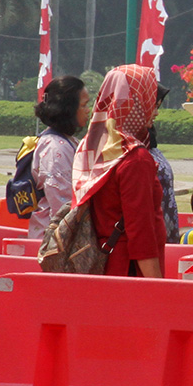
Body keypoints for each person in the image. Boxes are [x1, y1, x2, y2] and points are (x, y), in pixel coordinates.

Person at [72, 64, 167, 278]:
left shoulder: (92, 147)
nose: (155, 111)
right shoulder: (135, 159)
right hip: (129, 273)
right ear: (136, 103)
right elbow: (141, 233)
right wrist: (159, 288)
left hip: (99, 266)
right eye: (150, 99)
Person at [28, 76, 89, 239]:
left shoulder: (68, 141)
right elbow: (62, 205)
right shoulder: (56, 148)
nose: (88, 110)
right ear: (68, 109)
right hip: (53, 242)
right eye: (84, 105)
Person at [147, 86, 180, 244]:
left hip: (165, 234)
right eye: (153, 106)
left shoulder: (150, 144)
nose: (157, 113)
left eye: (158, 106)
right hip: (147, 239)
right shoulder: (126, 149)